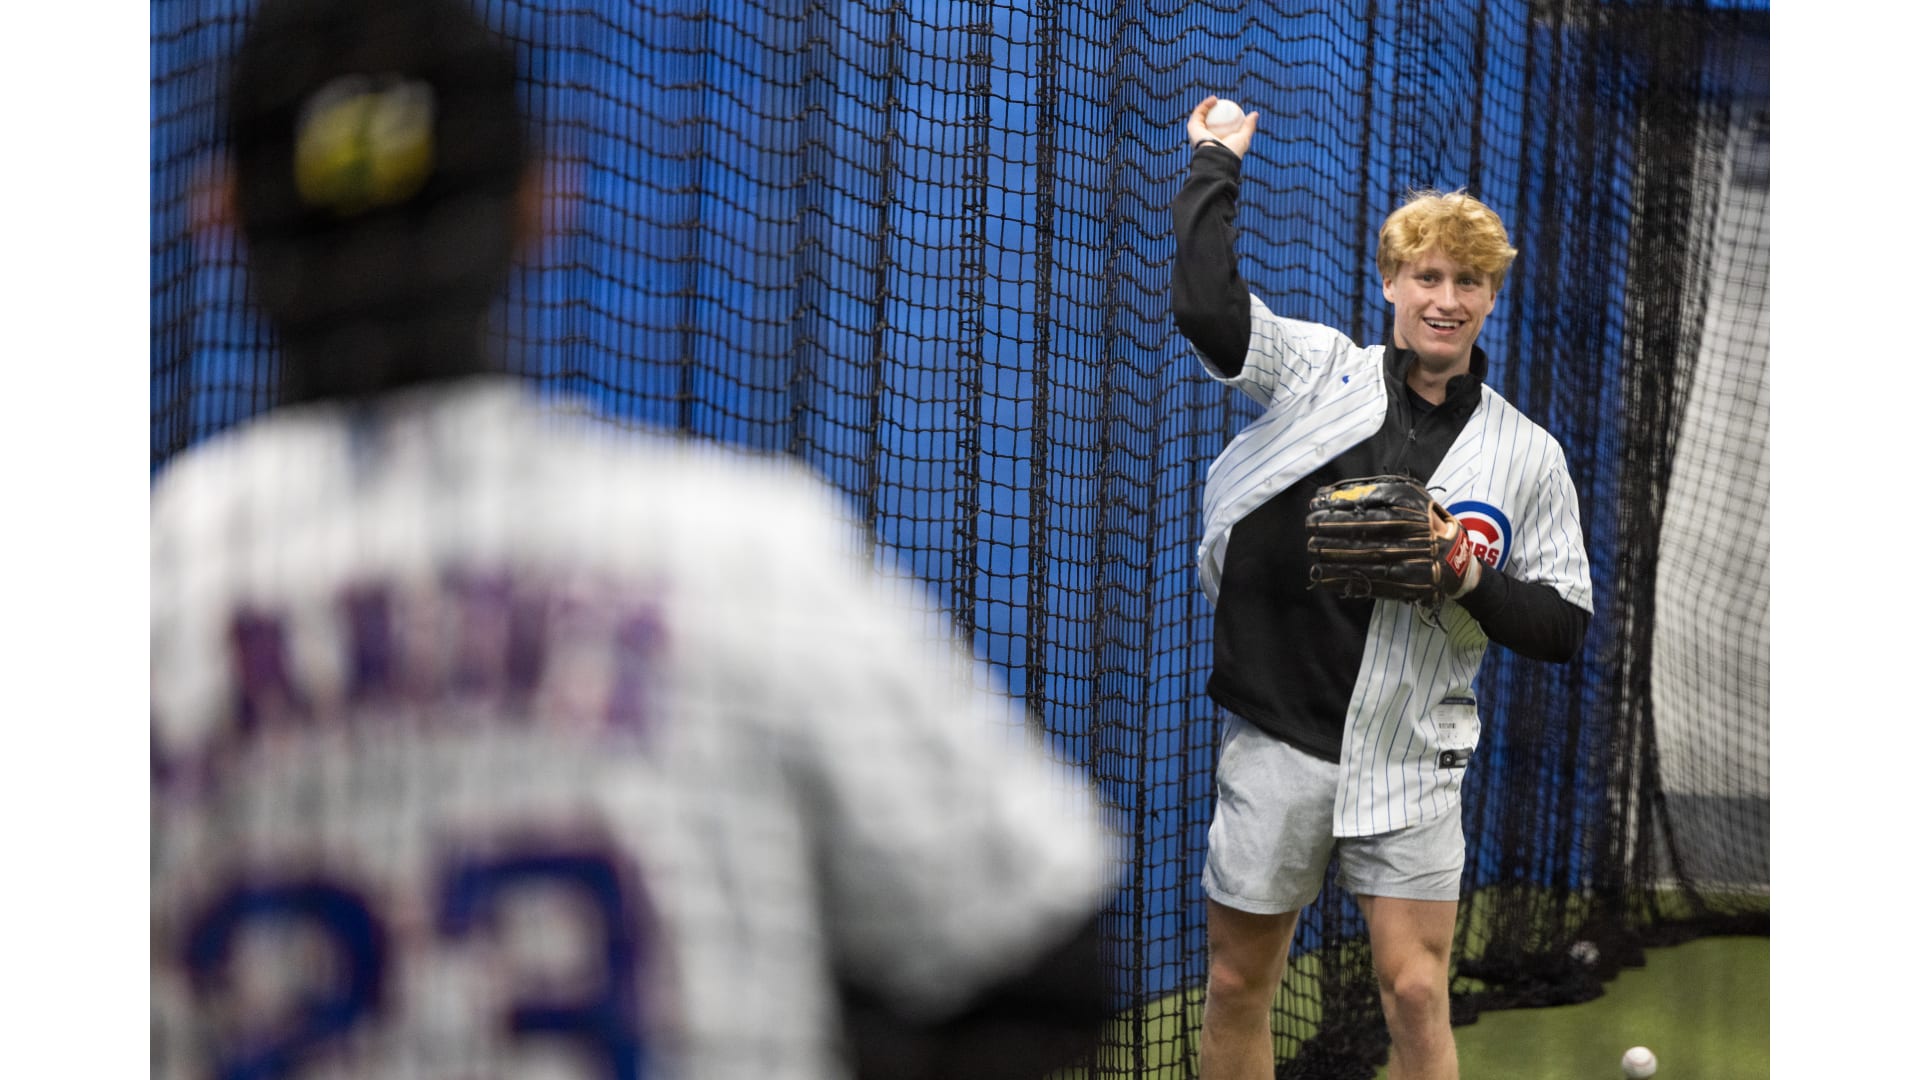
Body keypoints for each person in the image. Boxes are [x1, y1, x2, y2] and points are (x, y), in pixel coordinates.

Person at [148, 2, 1115, 1077]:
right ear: (537, 202)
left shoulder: (143, 594)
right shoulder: (736, 552)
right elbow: (1042, 963)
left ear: (220, 214)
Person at [1170, 97, 1594, 1080]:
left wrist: (1468, 572)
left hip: (1413, 759)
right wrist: (1211, 166)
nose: (1446, 298)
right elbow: (1206, 310)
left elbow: (1563, 625)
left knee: (1414, 991)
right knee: (1238, 983)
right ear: (1393, 284)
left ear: (1491, 298)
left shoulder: (1527, 455)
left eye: (1469, 281)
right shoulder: (1322, 371)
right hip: (1280, 736)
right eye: (1427, 276)